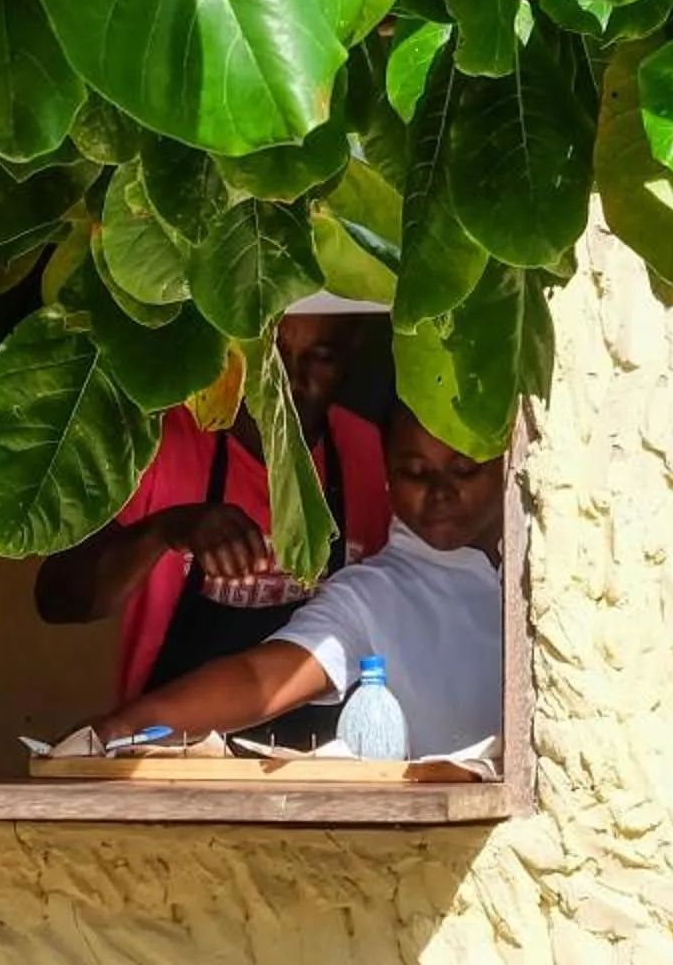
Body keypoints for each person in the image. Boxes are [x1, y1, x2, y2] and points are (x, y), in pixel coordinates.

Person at [33, 314, 391, 732]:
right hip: (166, 756)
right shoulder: (162, 445)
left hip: (321, 767)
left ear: (353, 350)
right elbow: (58, 600)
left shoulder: (371, 456)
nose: (288, 382)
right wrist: (165, 530)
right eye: (269, 356)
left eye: (321, 358)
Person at [85, 408, 506, 758]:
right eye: (415, 473)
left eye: (465, 469)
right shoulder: (375, 594)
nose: (440, 492)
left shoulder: (555, 556)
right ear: (388, 479)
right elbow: (259, 678)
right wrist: (123, 727)